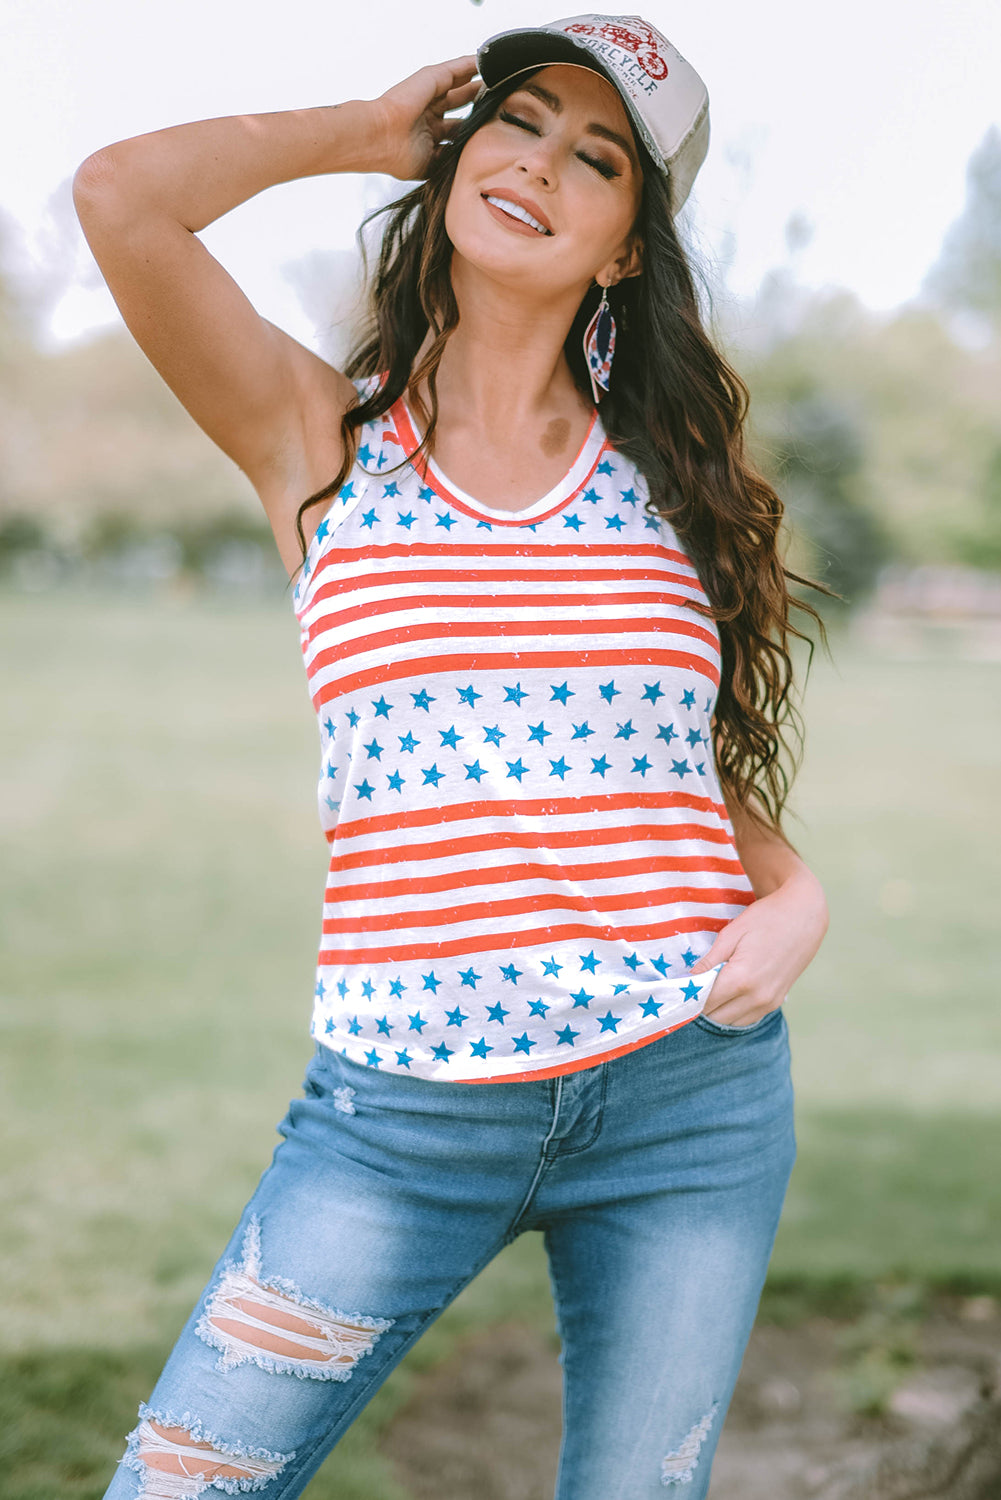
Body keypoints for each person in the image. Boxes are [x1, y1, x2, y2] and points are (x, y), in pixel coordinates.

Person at [74, 14, 830, 1498]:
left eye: (594, 156)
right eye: (519, 122)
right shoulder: (320, 438)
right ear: (460, 151)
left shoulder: (668, 489)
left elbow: (667, 768)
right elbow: (119, 195)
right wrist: (362, 128)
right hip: (402, 1116)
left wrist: (791, 889)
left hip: (690, 1099)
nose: (540, 164)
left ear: (624, 246)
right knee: (179, 1485)